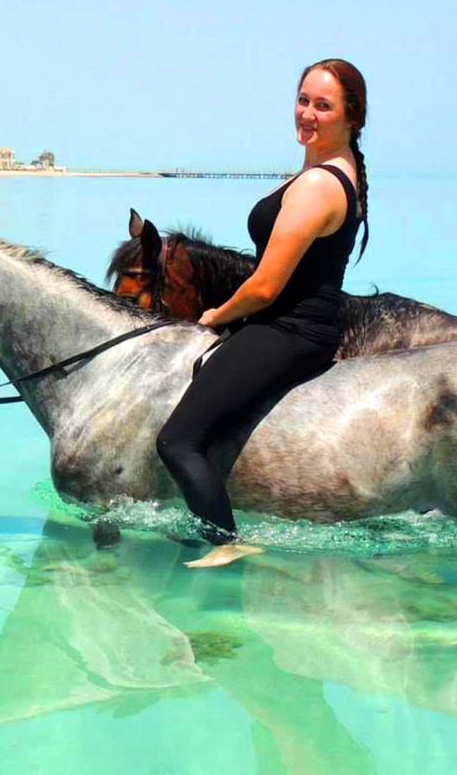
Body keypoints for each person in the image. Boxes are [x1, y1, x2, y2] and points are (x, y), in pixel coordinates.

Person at [156, 59, 370, 568]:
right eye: (303, 100)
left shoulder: (320, 184)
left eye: (323, 105)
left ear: (351, 118)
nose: (308, 114)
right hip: (295, 325)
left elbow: (268, 284)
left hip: (289, 329)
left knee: (177, 441)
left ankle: (227, 544)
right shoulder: (333, 172)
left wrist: (218, 314)